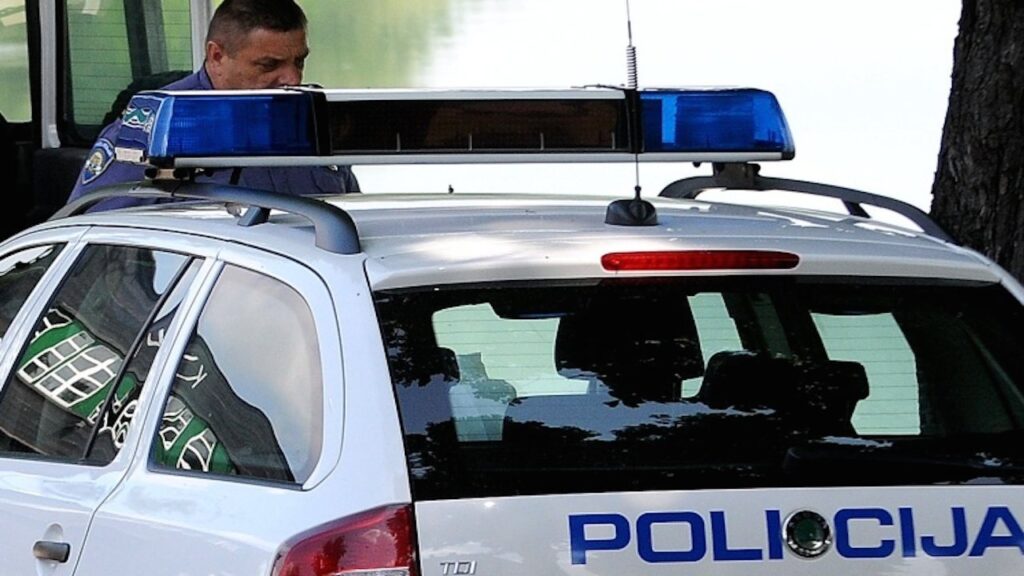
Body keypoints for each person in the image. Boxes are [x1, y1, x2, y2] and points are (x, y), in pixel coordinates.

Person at [66, 0, 358, 211]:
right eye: (269, 65)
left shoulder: (313, 123)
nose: (292, 78)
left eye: (299, 61)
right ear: (217, 56)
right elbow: (99, 247)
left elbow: (353, 220)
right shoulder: (156, 129)